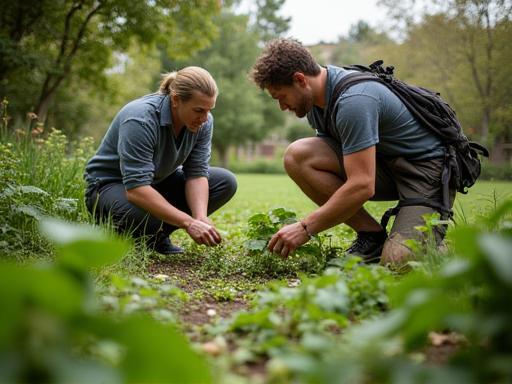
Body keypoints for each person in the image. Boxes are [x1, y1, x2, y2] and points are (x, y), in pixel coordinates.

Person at [250, 38, 455, 265]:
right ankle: (372, 236)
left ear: (300, 80)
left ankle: (440, 249)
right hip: (384, 165)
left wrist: (305, 228)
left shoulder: (354, 101)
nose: (282, 106)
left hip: (426, 174)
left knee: (398, 262)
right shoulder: (315, 104)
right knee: (297, 156)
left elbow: (362, 184)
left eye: (281, 96)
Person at [84, 66, 237, 254]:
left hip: (157, 182)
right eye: (199, 110)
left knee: (225, 181)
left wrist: (200, 217)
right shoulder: (140, 118)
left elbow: (196, 173)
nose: (205, 118)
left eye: (209, 109)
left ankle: (155, 235)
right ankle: (140, 234)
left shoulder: (203, 121)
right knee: (148, 215)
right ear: (175, 100)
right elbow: (136, 189)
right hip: (111, 187)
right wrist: (188, 223)